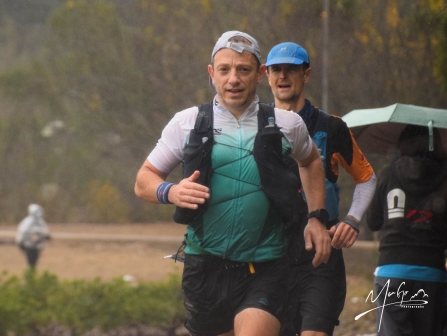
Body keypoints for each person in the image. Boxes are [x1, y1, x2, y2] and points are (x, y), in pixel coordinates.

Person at [135, 31, 331, 336]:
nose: (233, 79)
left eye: (243, 70)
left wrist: (316, 217)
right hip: (204, 267)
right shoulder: (187, 122)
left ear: (260, 74)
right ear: (211, 73)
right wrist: (171, 191)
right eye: (224, 70)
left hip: (266, 265)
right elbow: (143, 180)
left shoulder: (287, 123)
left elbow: (311, 162)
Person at [264, 42, 377, 336]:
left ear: (306, 74)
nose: (283, 76)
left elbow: (366, 178)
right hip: (270, 257)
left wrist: (352, 219)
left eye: (291, 69)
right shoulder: (255, 126)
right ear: (267, 75)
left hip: (320, 257)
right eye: (276, 69)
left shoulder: (332, 127)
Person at [367, 124, 447, 336]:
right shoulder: (444, 179)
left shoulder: (388, 174)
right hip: (431, 273)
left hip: (392, 272)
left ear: (403, 144)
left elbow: (373, 222)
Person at [15, 203, 50, 269]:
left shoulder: (41, 222)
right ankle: (30, 273)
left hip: (37, 246)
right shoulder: (27, 221)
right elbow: (22, 232)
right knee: (30, 262)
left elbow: (46, 232)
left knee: (34, 262)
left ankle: (32, 272)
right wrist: (29, 237)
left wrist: (40, 236)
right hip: (28, 245)